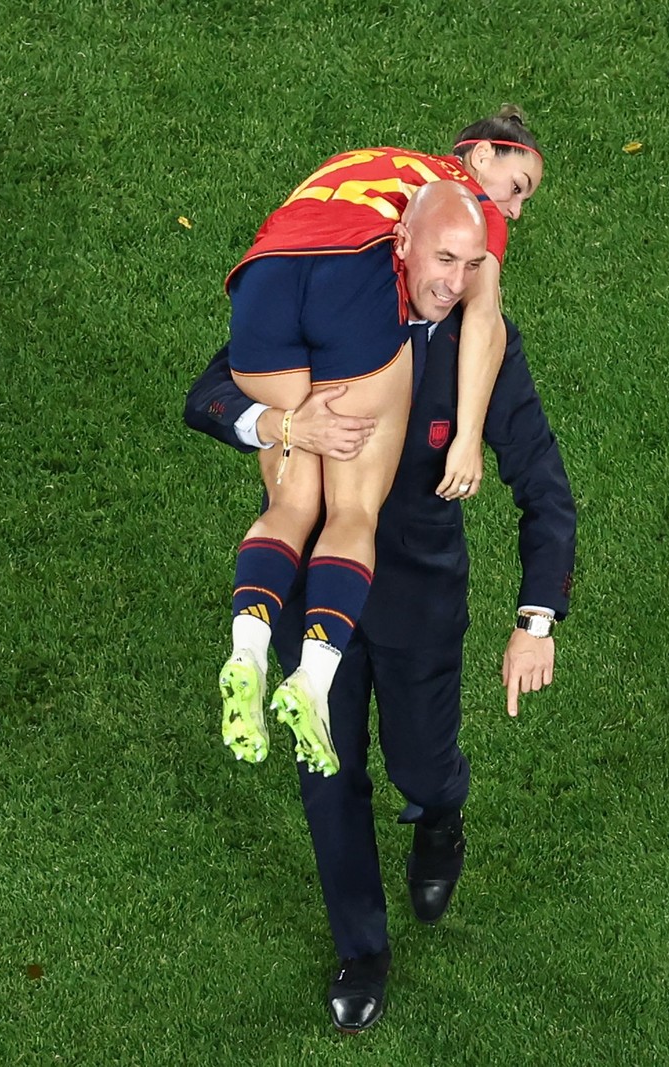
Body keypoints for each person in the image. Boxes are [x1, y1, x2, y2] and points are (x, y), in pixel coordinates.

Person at [185, 305, 576, 1033]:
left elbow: (543, 484)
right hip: (314, 590)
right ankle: (361, 949)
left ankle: (440, 812)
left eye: (467, 264)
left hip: (416, 602)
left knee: (421, 765)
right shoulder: (321, 308)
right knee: (325, 770)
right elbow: (209, 395)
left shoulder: (476, 339)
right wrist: (283, 426)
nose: (450, 279)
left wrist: (535, 621)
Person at [220, 110, 546, 778]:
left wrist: (286, 424)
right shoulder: (463, 206)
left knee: (294, 492)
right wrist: (466, 437)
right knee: (351, 509)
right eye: (518, 185)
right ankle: (311, 682)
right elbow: (483, 321)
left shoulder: (374, 162)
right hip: (351, 284)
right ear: (481, 154)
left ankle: (246, 651)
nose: (514, 209)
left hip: (261, 277)